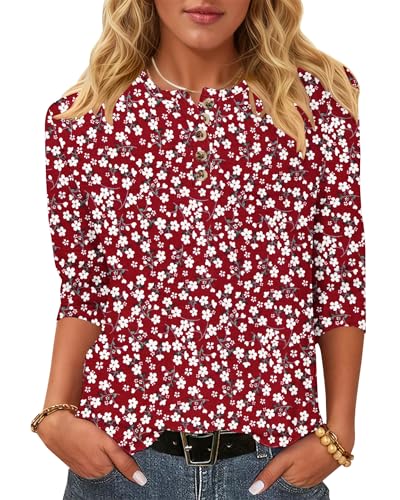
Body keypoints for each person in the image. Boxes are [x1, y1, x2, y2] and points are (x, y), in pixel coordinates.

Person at [31, 0, 366, 498]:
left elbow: (339, 281)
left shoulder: (316, 104)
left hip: (272, 466)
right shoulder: (83, 120)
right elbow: (85, 289)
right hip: (121, 465)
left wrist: (339, 433)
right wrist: (56, 414)